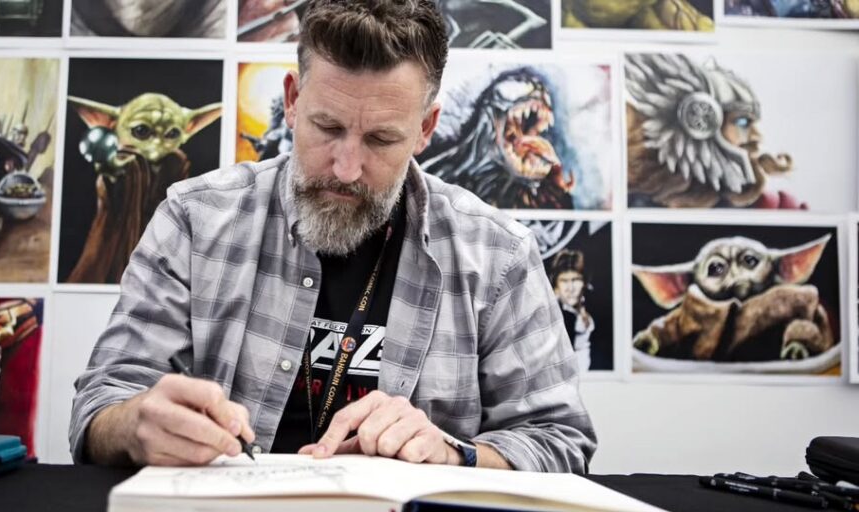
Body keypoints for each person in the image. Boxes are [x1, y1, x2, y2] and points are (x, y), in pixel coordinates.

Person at [70, 0, 595, 473]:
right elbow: (99, 407)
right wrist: (134, 424)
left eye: (381, 139)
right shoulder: (194, 219)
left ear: (425, 129)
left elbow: (560, 439)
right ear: (293, 101)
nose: (346, 169)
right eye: (327, 127)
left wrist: (454, 454)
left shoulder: (498, 253)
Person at [550, 250, 594, 372]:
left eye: (576, 279)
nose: (570, 288)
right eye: (564, 281)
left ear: (584, 282)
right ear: (556, 285)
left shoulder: (591, 306)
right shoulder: (550, 311)